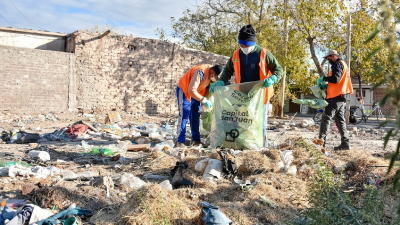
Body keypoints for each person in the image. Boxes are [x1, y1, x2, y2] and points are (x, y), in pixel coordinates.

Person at [209, 24, 283, 147]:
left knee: (260, 123)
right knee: (242, 121)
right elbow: (227, 71)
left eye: (246, 45)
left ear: (253, 43)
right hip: (242, 95)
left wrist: (273, 78)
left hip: (260, 95)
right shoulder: (236, 54)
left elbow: (279, 69)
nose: (243, 47)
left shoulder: (264, 54)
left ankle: (262, 148)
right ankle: (243, 146)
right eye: (241, 45)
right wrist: (221, 81)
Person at [176, 64, 224, 148]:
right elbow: (191, 90)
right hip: (185, 91)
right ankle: (180, 141)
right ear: (212, 72)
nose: (216, 79)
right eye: (216, 77)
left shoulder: (212, 74)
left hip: (197, 93)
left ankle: (196, 140)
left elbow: (208, 88)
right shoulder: (200, 72)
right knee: (184, 116)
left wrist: (205, 101)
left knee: (195, 116)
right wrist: (203, 100)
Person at [317, 50, 353, 150]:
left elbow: (335, 79)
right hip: (342, 97)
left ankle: (320, 144)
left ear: (332, 56)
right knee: (340, 121)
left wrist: (324, 78)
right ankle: (345, 145)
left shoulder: (336, 64)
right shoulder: (344, 64)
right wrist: (326, 86)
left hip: (334, 98)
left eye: (328, 58)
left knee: (325, 119)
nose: (328, 60)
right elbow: (339, 82)